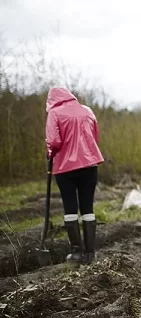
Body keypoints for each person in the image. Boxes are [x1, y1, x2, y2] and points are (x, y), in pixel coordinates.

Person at [45, 87, 104, 264]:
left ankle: (77, 253)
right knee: (88, 207)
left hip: (65, 167)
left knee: (70, 206)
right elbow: (94, 136)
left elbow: (54, 141)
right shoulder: (87, 110)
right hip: (89, 164)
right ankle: (90, 254)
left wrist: (49, 152)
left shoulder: (54, 113)